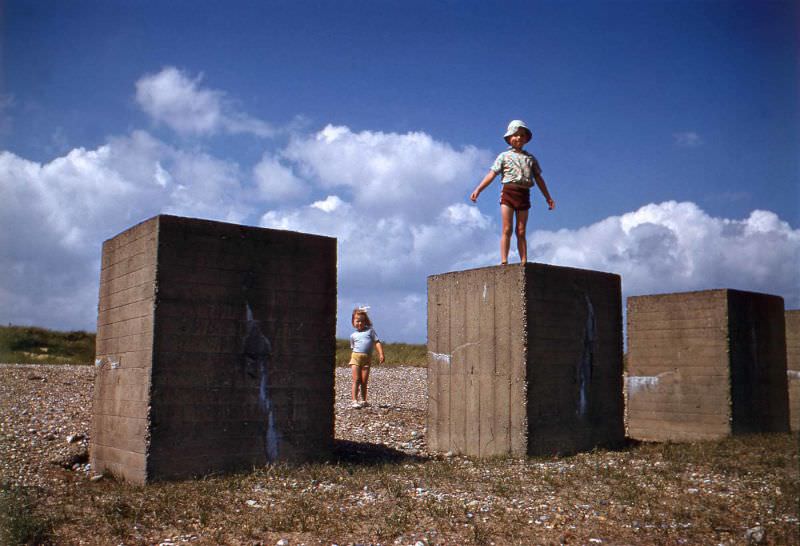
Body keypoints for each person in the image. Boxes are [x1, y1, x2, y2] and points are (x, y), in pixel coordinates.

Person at [470, 119, 555, 264]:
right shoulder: (504, 156)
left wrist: (548, 197)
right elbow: (491, 174)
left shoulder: (530, 158)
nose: (519, 138)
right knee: (507, 228)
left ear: (526, 138)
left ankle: (523, 261)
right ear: (509, 138)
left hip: (524, 195)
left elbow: (539, 179)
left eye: (522, 135)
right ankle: (504, 260)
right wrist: (478, 189)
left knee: (521, 230)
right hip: (508, 193)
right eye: (516, 135)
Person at [349, 307, 385, 409]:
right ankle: (354, 400)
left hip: (367, 359)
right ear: (353, 322)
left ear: (366, 322)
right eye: (357, 321)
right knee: (356, 380)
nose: (359, 323)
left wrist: (381, 354)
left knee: (364, 381)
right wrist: (351, 360)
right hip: (355, 358)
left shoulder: (370, 331)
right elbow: (353, 348)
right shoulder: (353, 335)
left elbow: (377, 342)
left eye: (362, 321)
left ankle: (364, 400)